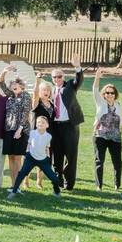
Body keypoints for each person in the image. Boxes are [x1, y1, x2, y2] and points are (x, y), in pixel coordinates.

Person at [48, 54, 85, 190]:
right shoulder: (50, 91)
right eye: (54, 77)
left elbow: (79, 80)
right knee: (57, 154)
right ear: (51, 79)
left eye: (59, 76)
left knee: (70, 155)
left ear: (63, 77)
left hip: (70, 126)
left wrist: (77, 67)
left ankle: (69, 183)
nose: (57, 79)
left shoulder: (70, 86)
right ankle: (58, 179)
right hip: (55, 127)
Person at [7, 115, 61, 199]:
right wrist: (27, 153)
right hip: (30, 158)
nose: (40, 124)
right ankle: (14, 191)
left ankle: (56, 191)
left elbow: (47, 148)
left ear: (47, 125)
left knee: (54, 179)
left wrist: (48, 157)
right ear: (36, 124)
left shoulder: (48, 136)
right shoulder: (32, 133)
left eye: (43, 122)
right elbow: (29, 144)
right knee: (21, 174)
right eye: (38, 122)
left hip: (43, 160)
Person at [92, 69, 122, 191]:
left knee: (117, 162)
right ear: (104, 94)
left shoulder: (118, 105)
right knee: (100, 161)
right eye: (107, 92)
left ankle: (117, 185)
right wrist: (97, 77)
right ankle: (99, 186)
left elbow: (119, 119)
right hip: (100, 136)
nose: (110, 95)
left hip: (116, 137)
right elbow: (95, 90)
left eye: (112, 93)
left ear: (115, 94)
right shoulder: (100, 103)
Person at [0, 68, 31, 189]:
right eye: (12, 85)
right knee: (11, 157)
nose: (13, 86)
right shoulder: (10, 96)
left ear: (21, 86)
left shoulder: (25, 96)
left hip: (20, 131)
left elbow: (26, 112)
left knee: (17, 158)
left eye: (16, 85)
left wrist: (20, 129)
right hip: (9, 130)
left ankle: (18, 185)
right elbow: (1, 83)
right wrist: (5, 71)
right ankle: (13, 184)